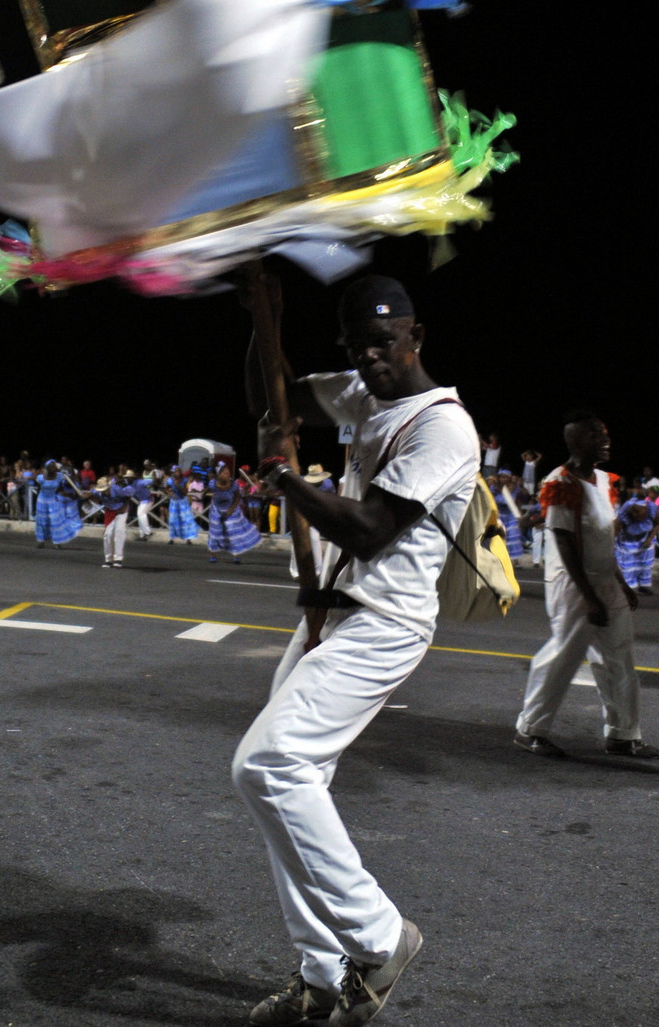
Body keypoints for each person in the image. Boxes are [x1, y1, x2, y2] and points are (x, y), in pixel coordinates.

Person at [235, 274, 480, 1026]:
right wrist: (265, 322)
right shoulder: (361, 391)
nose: (368, 358)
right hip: (330, 613)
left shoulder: (443, 428)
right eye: (354, 346)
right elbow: (273, 397)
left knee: (268, 765)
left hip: (385, 624)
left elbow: (371, 528)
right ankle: (320, 973)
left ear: (415, 337)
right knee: (287, 796)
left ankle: (380, 938)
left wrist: (285, 478)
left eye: (381, 342)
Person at [513, 411, 657, 760]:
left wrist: (620, 582)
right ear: (577, 442)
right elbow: (564, 542)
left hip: (605, 580)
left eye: (605, 434)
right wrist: (589, 596)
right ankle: (530, 729)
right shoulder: (561, 482)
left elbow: (603, 538)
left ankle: (623, 734)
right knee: (563, 656)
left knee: (619, 658)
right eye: (597, 435)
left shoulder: (604, 481)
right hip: (573, 584)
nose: (606, 440)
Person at [207, 464, 261, 563]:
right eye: (225, 473)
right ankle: (213, 555)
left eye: (228, 473)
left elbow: (238, 497)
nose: (227, 475)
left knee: (233, 532)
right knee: (215, 532)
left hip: (231, 509)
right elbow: (208, 490)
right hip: (217, 510)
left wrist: (231, 509)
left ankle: (236, 556)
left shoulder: (233, 485)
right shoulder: (213, 483)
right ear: (219, 475)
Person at [614, 482, 658, 596]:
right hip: (628, 541)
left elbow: (657, 524)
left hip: (645, 539)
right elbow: (616, 527)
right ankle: (628, 588)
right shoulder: (625, 512)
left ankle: (643, 586)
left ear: (645, 508)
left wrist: (649, 539)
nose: (635, 515)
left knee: (644, 565)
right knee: (627, 565)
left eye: (638, 511)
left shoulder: (652, 509)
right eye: (633, 511)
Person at [35, 459, 82, 548]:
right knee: (42, 521)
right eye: (51, 466)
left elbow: (64, 484)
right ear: (47, 468)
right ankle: (41, 541)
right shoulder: (41, 477)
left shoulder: (60, 476)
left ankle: (57, 542)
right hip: (42, 500)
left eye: (54, 466)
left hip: (53, 500)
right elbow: (38, 490)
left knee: (55, 520)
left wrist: (66, 493)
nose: (53, 467)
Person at [102, 468, 133, 567]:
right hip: (110, 511)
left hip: (121, 510)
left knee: (119, 532)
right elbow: (88, 494)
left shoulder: (117, 488)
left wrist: (124, 507)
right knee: (107, 534)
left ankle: (118, 558)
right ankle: (108, 559)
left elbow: (129, 495)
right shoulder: (98, 492)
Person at [166, 466, 198, 543]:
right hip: (174, 501)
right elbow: (166, 488)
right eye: (175, 471)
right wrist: (169, 493)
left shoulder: (184, 480)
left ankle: (188, 538)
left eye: (178, 471)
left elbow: (185, 493)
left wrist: (177, 485)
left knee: (186, 519)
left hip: (183, 501)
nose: (176, 473)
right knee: (172, 520)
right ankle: (171, 538)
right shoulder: (170, 480)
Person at [134, 461, 157, 540]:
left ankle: (147, 532)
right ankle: (142, 534)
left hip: (148, 499)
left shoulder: (140, 482)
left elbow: (153, 481)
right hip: (142, 500)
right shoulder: (131, 484)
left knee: (141, 513)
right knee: (139, 515)